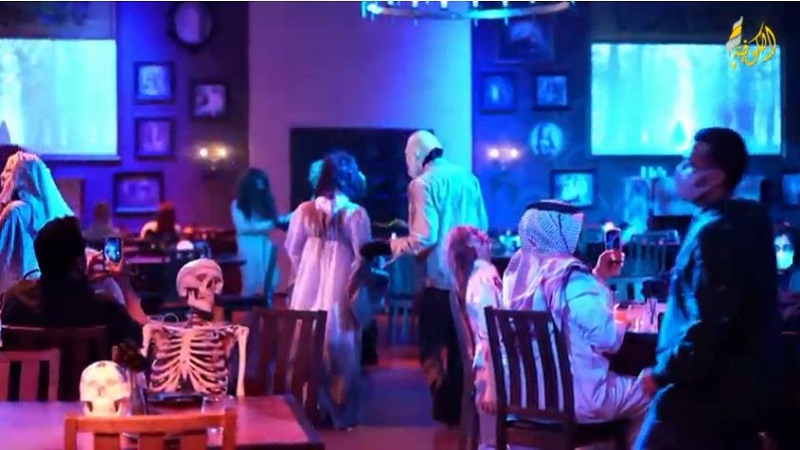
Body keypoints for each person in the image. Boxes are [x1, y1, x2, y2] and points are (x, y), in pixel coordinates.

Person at [634, 128, 783, 450]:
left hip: (699, 398)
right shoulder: (747, 222)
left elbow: (710, 324)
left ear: (713, 177)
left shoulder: (714, 233)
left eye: (689, 163)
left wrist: (662, 374)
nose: (680, 169)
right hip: (740, 392)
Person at [361, 130, 488, 426]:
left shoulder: (422, 184)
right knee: (461, 349)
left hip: (438, 280)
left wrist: (388, 246)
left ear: (416, 154)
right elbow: (481, 225)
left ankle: (445, 410)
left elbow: (424, 238)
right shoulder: (468, 178)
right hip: (468, 280)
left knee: (431, 350)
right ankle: (461, 414)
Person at [503, 200, 649, 444]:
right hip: (576, 400)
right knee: (654, 392)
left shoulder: (517, 275)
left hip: (523, 399)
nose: (580, 237)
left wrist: (598, 276)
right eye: (575, 230)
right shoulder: (568, 275)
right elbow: (607, 339)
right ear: (559, 231)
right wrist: (625, 319)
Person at [286, 150, 372, 430]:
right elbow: (363, 255)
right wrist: (356, 284)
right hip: (340, 286)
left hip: (308, 286)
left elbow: (293, 249)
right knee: (341, 346)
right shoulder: (355, 214)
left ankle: (310, 406)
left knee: (307, 344)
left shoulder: (303, 211)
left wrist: (303, 274)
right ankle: (341, 411)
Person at [1, 216, 145, 346]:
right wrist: (125, 284)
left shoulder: (15, 301)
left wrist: (81, 279)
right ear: (80, 261)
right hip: (87, 370)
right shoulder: (105, 308)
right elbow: (140, 338)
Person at [443, 225, 503, 449]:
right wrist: (493, 388)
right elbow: (491, 334)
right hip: (493, 370)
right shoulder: (484, 278)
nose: (487, 241)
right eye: (480, 239)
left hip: (487, 366)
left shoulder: (474, 278)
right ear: (472, 249)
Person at [0, 148, 73, 293]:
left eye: (8, 171)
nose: (2, 175)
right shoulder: (54, 215)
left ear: (23, 177)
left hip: (15, 295)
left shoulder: (16, 212)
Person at [231, 168, 280, 298]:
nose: (260, 188)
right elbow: (242, 227)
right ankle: (248, 307)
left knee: (269, 278)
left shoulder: (265, 203)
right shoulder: (237, 205)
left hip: (264, 243)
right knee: (250, 277)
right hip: (248, 244)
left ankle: (266, 305)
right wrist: (272, 223)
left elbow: (272, 222)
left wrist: (277, 222)